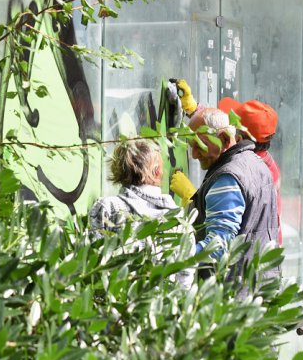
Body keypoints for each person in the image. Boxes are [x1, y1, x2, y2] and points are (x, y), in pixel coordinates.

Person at [168, 106, 279, 282]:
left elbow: (218, 246)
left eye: (200, 145)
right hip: (258, 284)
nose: (194, 155)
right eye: (191, 146)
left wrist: (173, 261)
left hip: (233, 291)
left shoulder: (227, 177)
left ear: (225, 139)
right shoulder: (256, 163)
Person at [89, 139, 193, 285]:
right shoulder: (178, 218)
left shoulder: (107, 208)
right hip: (164, 297)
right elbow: (185, 276)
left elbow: (92, 264)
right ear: (157, 171)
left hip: (115, 295)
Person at [218, 96, 284, 245]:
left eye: (231, 129)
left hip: (253, 253)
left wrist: (194, 197)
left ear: (239, 139)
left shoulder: (249, 173)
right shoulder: (263, 162)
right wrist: (194, 109)